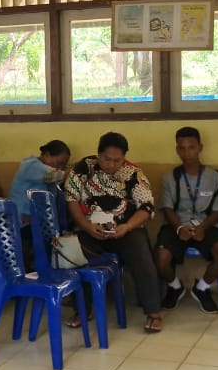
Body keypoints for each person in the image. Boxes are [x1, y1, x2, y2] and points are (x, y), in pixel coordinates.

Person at [64, 132, 162, 332]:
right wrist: (86, 226)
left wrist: (127, 226)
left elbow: (147, 207)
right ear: (98, 155)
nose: (111, 164)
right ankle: (81, 309)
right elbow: (71, 199)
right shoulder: (84, 168)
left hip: (125, 231)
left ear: (124, 158)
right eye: (106, 159)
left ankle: (153, 312)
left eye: (117, 161)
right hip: (90, 230)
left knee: (141, 253)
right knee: (72, 251)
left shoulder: (133, 173)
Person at [154, 127, 218, 315]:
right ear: (177, 150)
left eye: (191, 147)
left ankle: (202, 288)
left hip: (206, 225)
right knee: (160, 258)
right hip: (176, 226)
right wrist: (179, 228)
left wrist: (203, 228)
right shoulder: (170, 178)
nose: (187, 153)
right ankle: (175, 287)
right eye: (182, 148)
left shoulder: (216, 177)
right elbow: (167, 209)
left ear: (200, 148)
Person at [7, 140, 70, 224]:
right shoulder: (31, 165)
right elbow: (57, 175)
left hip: (36, 217)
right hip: (22, 218)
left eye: (63, 165)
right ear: (47, 154)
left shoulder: (46, 174)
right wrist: (75, 169)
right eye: (59, 163)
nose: (60, 167)